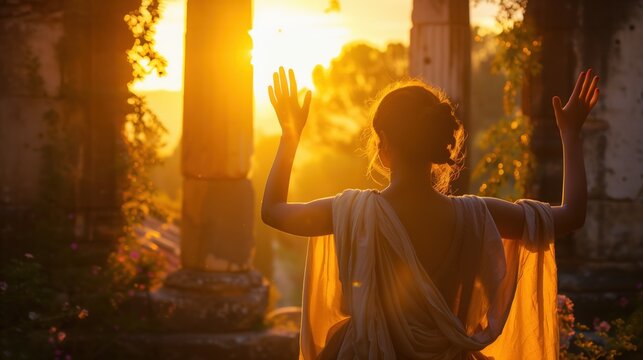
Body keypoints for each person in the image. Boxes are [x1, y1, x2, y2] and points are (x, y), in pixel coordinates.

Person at [261, 66, 600, 359]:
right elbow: (571, 216)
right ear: (437, 141)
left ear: (384, 144)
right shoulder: (476, 216)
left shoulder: (352, 212)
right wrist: (570, 134)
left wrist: (290, 137)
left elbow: (274, 211)